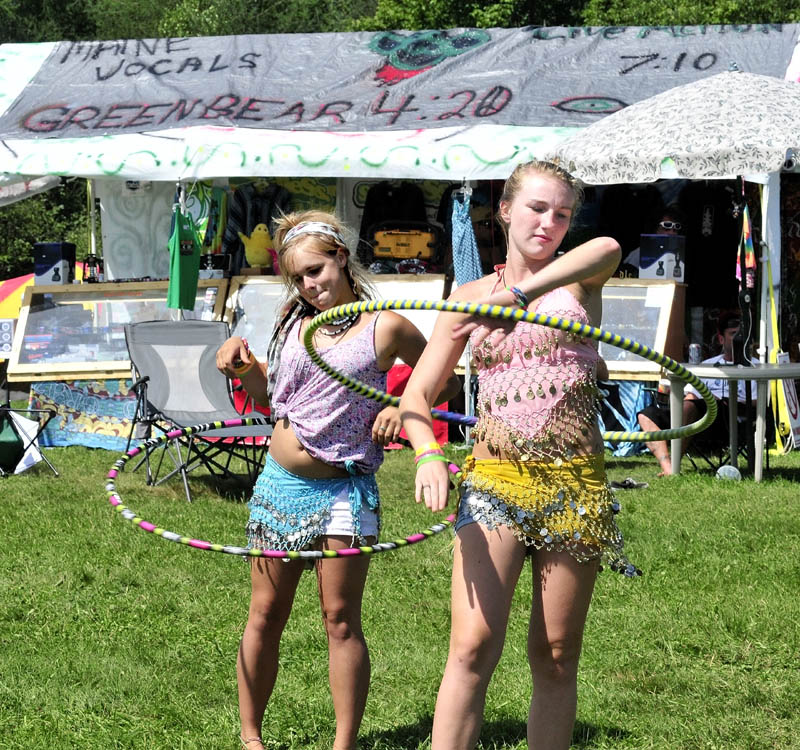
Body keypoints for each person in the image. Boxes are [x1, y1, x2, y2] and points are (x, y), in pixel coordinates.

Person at [399, 160, 638, 750]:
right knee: (473, 645)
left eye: (561, 214)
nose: (549, 223)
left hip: (574, 487)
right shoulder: (467, 298)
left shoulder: (578, 281)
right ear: (504, 209)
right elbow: (416, 394)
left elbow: (608, 245)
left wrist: (516, 297)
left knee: (556, 656)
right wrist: (428, 453)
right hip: (495, 484)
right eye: (536, 208)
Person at [216, 210, 460, 750]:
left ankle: (343, 745)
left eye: (316, 271)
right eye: (299, 277)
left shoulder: (387, 325)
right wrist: (240, 366)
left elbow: (441, 385)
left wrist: (400, 405)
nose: (310, 285)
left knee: (340, 619)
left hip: (346, 487)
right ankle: (251, 739)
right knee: (265, 614)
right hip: (281, 485)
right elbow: (269, 400)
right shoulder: (294, 321)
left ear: (341, 258)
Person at [637, 310, 756, 476]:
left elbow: (759, 403)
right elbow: (691, 396)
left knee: (690, 406)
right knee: (646, 415)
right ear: (721, 338)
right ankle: (668, 467)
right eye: (733, 334)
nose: (738, 338)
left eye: (740, 334)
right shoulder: (707, 365)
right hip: (697, 416)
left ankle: (675, 464)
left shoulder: (756, 366)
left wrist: (721, 401)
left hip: (729, 418)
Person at [616, 204, 685, 278]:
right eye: (666, 227)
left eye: (675, 229)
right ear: (655, 229)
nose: (672, 233)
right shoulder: (641, 253)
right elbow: (623, 279)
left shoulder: (679, 255)